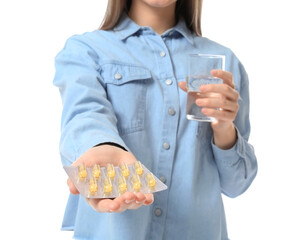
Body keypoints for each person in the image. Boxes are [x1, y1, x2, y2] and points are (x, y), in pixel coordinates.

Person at [53, 0, 258, 239]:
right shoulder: (86, 50)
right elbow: (84, 113)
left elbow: (236, 185)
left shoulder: (224, 62)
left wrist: (224, 128)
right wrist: (102, 146)